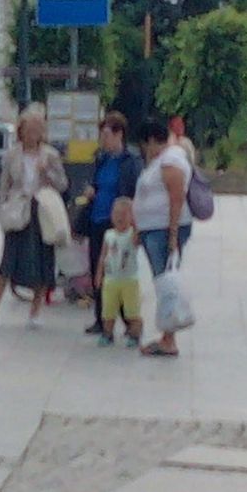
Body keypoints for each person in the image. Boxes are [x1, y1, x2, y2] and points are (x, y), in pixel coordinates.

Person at [0, 108, 69, 329]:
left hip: (42, 211)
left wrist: (47, 172)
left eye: (37, 130)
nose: (33, 134)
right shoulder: (12, 155)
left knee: (42, 260)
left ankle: (35, 312)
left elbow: (62, 184)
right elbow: (4, 186)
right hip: (18, 211)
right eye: (29, 129)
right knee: (7, 261)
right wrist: (3, 211)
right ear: (21, 131)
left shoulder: (50, 155)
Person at [132, 118, 194, 356]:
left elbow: (176, 198)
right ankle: (167, 334)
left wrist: (172, 234)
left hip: (163, 229)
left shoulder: (170, 160)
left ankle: (169, 338)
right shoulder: (160, 160)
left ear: (151, 140)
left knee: (165, 282)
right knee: (162, 282)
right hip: (154, 228)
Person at [81, 111, 142, 335]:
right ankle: (101, 318)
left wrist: (134, 223)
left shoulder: (131, 160)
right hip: (97, 218)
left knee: (120, 270)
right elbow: (96, 181)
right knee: (98, 267)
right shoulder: (101, 158)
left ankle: (129, 320)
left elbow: (134, 191)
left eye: (106, 135)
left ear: (119, 134)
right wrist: (91, 190)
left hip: (119, 222)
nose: (103, 140)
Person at [94, 197, 143, 348]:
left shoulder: (131, 234)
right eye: (116, 214)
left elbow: (137, 240)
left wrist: (136, 223)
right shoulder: (109, 234)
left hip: (129, 280)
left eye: (124, 214)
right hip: (111, 280)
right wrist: (99, 273)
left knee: (132, 312)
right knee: (108, 311)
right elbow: (103, 256)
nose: (119, 218)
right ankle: (107, 334)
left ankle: (135, 334)